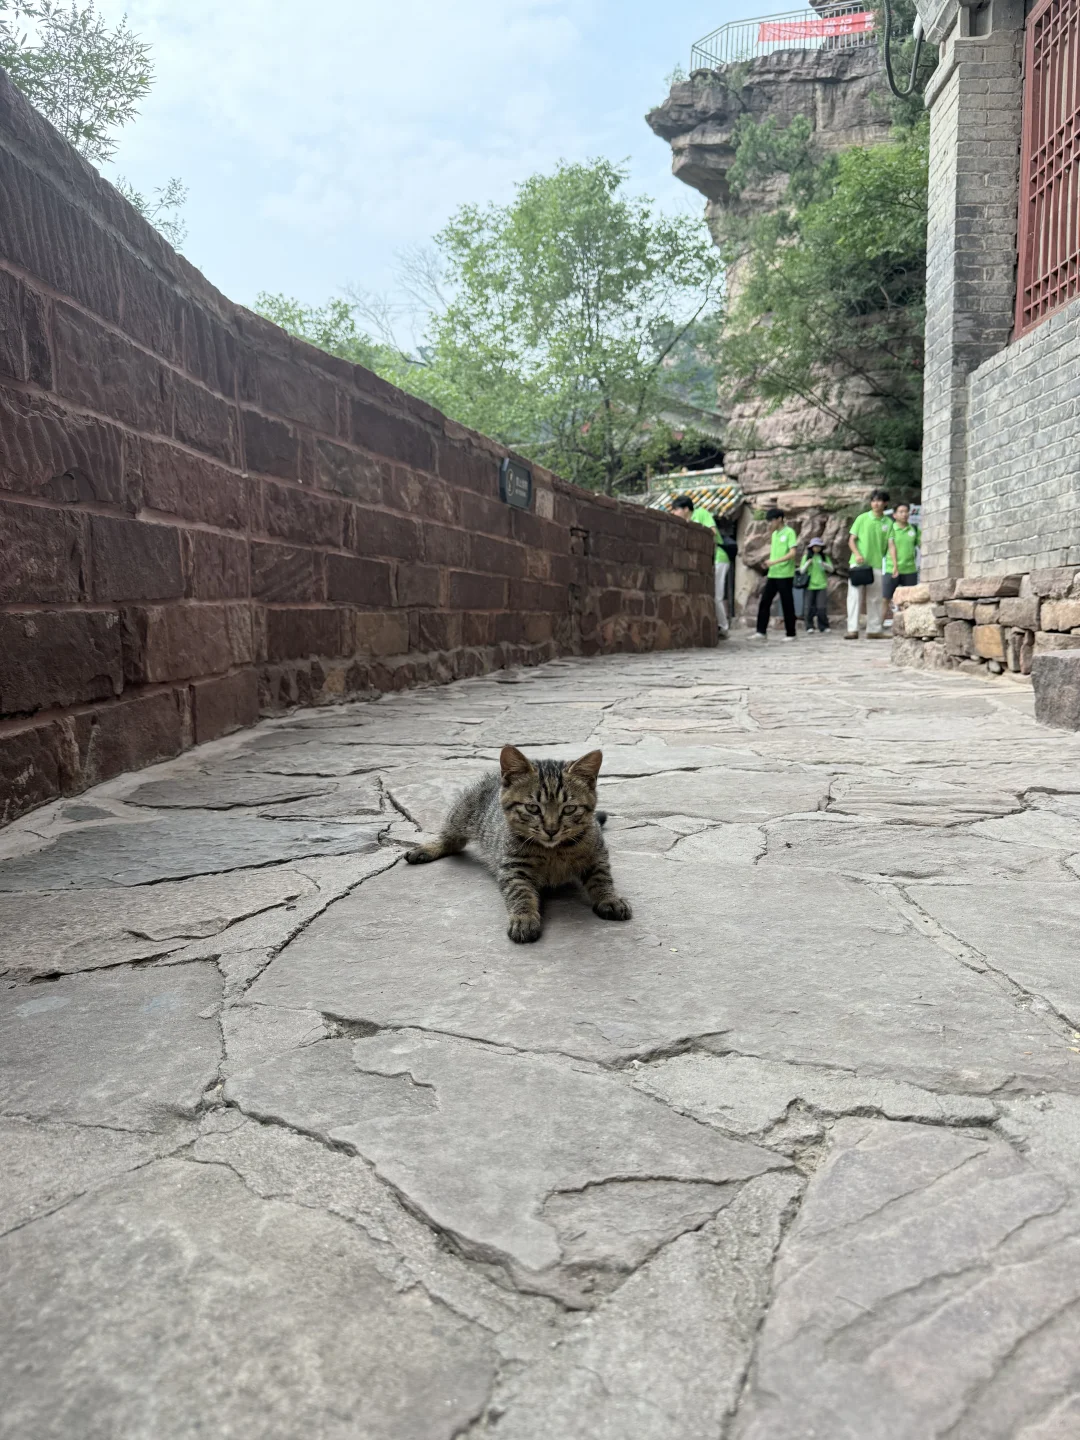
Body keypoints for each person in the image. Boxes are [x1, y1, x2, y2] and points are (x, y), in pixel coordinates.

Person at [671, 494, 729, 635]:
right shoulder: (685, 523)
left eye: (676, 510)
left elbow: (713, 532)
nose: (673, 513)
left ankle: (723, 627)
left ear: (686, 509)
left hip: (718, 558)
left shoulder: (701, 513)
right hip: (704, 561)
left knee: (717, 595)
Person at [846, 488, 892, 640]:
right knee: (854, 597)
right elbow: (851, 540)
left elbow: (890, 544)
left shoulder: (888, 522)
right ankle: (852, 629)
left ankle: (873, 629)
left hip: (877, 564)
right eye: (873, 500)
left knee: (875, 598)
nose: (876, 503)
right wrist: (857, 554)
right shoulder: (862, 518)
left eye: (879, 500)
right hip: (858, 564)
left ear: (885, 503)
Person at [750, 507, 798, 641]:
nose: (770, 523)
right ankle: (761, 632)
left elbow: (792, 553)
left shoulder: (789, 532)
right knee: (765, 602)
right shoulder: (774, 534)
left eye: (772, 521)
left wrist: (775, 561)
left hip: (785, 573)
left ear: (779, 519)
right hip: (773, 574)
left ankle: (791, 633)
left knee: (787, 603)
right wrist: (769, 563)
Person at [882, 501, 921, 624]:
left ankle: (909, 625)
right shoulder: (890, 529)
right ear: (895, 515)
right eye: (901, 512)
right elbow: (890, 547)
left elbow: (921, 544)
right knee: (886, 598)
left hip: (910, 570)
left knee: (910, 600)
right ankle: (877, 626)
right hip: (891, 569)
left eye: (906, 511)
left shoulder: (914, 529)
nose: (905, 514)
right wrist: (895, 566)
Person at [799, 537, 834, 633]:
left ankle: (823, 626)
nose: (817, 548)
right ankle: (809, 626)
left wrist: (825, 565)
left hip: (821, 585)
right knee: (809, 607)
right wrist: (807, 563)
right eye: (815, 546)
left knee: (821, 607)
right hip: (810, 585)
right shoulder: (806, 557)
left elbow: (831, 569)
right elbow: (802, 571)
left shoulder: (824, 557)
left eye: (818, 546)